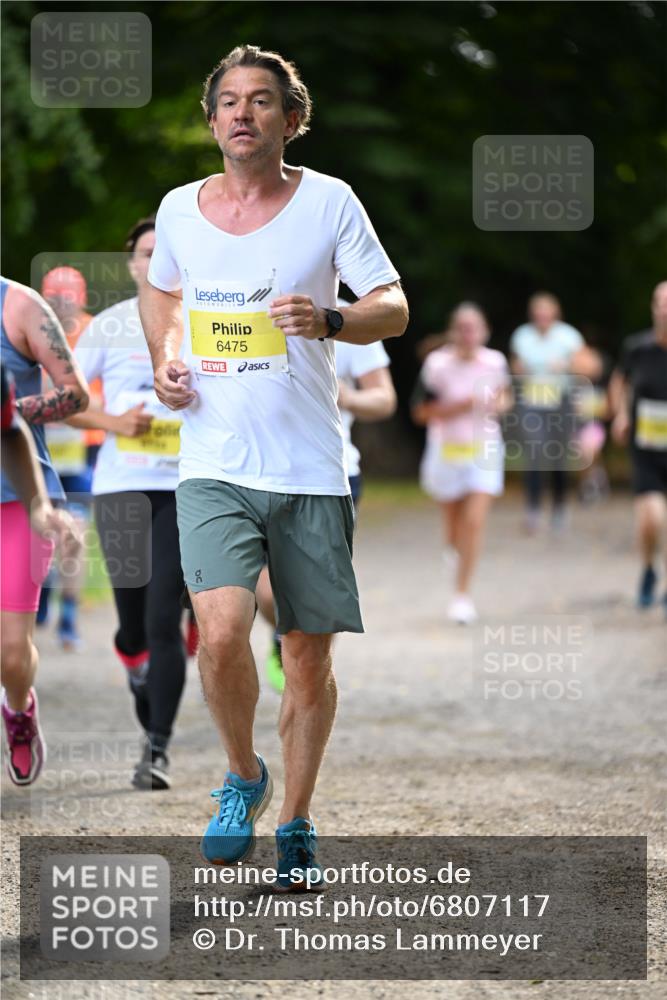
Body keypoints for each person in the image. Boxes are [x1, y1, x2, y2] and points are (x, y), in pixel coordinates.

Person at [141, 44, 408, 883]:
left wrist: (331, 320)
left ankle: (294, 819)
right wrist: (165, 359)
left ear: (290, 119)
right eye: (228, 100)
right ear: (212, 118)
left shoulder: (329, 201)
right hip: (213, 460)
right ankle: (241, 776)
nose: (242, 113)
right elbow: (163, 290)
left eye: (261, 101)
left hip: (308, 469)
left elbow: (392, 309)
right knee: (218, 633)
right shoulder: (180, 210)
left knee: (306, 657)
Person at [68, 217, 188, 790]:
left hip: (187, 487)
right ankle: (134, 663)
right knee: (134, 626)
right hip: (120, 489)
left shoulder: (207, 326)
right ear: (134, 264)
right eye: (147, 252)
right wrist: (115, 421)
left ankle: (157, 750)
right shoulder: (110, 328)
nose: (157, 260)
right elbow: (64, 401)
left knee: (167, 617)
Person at [258, 298, 397, 693]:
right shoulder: (246, 294)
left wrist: (349, 397)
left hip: (332, 473)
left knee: (316, 596)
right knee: (270, 593)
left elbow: (384, 398)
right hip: (255, 471)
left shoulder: (347, 313)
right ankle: (281, 634)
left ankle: (309, 686)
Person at [0, 278, 88, 786]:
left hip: (20, 497)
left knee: (12, 653)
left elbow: (74, 394)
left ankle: (18, 709)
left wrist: (15, 411)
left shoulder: (20, 308)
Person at [412, 302, 510, 624]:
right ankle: (456, 554)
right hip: (447, 451)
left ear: (485, 331)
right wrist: (463, 404)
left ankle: (462, 596)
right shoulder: (437, 364)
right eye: (462, 328)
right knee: (454, 526)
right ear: (453, 331)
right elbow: (422, 413)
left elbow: (505, 398)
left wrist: (498, 404)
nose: (468, 334)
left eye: (474, 328)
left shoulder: (495, 362)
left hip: (484, 449)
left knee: (474, 521)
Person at [38, 267, 102, 647]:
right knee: (42, 531)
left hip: (83, 448)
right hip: (41, 448)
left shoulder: (96, 333)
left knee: (73, 534)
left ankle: (68, 616)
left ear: (80, 297)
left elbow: (108, 390)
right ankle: (43, 594)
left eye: (67, 295)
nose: (60, 303)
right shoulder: (31, 330)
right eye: (53, 295)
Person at [611, 280, 667, 611]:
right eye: (659, 301)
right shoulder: (637, 348)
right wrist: (619, 415)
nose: (664, 307)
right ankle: (648, 568)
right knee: (651, 519)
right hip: (646, 446)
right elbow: (620, 382)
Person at [510, 292, 584, 534]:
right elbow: (514, 368)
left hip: (560, 401)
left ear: (555, 313)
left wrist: (568, 365)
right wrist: (518, 369)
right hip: (532, 401)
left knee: (558, 456)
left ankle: (559, 508)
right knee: (534, 450)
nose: (542, 316)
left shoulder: (569, 336)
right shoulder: (522, 336)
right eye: (538, 312)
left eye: (546, 311)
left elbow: (590, 366)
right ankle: (533, 510)